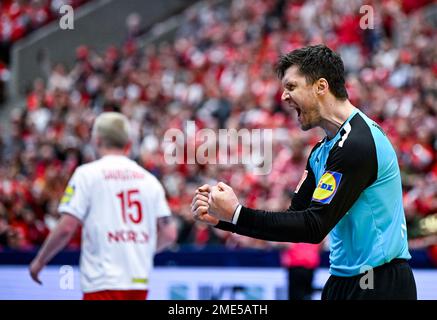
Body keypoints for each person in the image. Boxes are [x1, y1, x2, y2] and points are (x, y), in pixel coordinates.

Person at [191, 45, 417, 300]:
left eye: (291, 86)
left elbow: (314, 226)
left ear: (321, 86)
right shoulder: (322, 150)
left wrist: (236, 214)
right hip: (344, 280)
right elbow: (295, 221)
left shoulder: (357, 144)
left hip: (378, 283)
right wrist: (226, 219)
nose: (284, 97)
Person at [29, 112, 177, 300]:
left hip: (102, 281)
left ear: (97, 140)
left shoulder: (87, 175)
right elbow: (169, 233)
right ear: (128, 144)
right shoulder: (149, 180)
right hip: (138, 281)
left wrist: (40, 261)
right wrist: (141, 249)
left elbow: (67, 226)